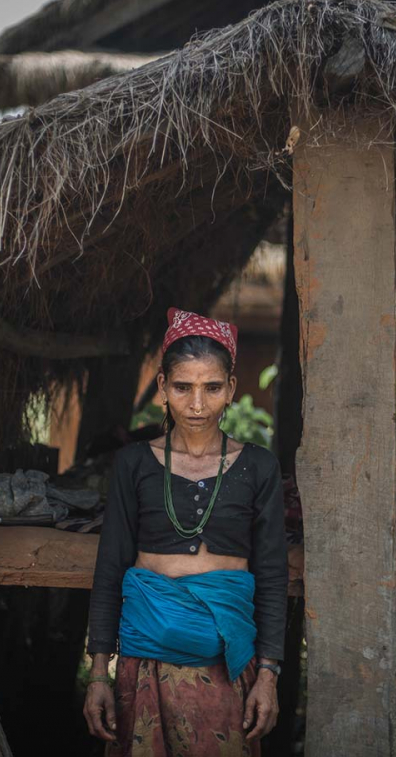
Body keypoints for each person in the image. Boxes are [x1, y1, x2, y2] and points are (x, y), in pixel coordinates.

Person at [83, 307, 288, 756]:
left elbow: (272, 576)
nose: (197, 404)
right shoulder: (133, 463)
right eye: (182, 387)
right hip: (143, 669)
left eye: (212, 387)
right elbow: (110, 568)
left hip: (227, 670)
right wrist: (99, 672)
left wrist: (269, 676)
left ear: (232, 388)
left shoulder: (259, 467)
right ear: (162, 387)